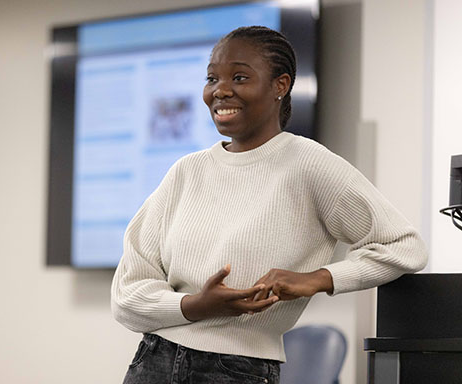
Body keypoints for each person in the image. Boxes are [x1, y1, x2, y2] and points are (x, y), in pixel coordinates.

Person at [111, 26, 427, 384]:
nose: (220, 90)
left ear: (280, 85)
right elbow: (127, 296)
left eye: (240, 77)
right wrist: (198, 305)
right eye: (212, 78)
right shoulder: (186, 171)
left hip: (239, 370)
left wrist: (319, 279)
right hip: (153, 361)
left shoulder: (309, 163)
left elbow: (405, 246)